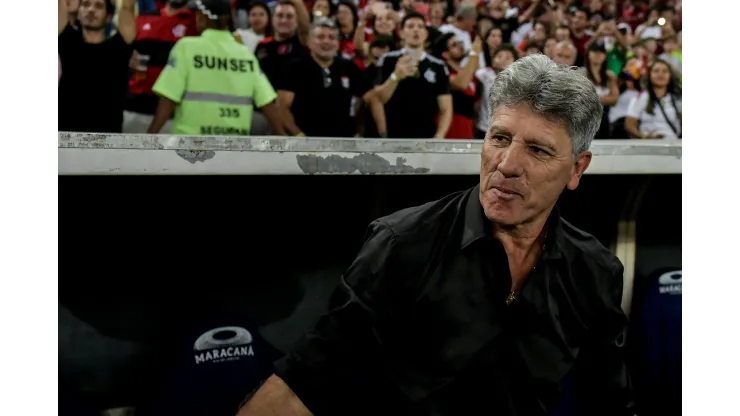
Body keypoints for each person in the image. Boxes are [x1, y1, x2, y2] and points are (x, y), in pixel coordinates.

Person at [237, 54, 634, 416]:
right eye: (499, 138)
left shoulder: (594, 271)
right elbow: (302, 388)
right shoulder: (402, 245)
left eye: (538, 150)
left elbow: (609, 403)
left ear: (577, 169)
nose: (507, 165)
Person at [147, 0, 285, 135]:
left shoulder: (186, 47)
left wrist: (150, 136)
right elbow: (267, 102)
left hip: (191, 145)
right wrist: (283, 138)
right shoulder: (245, 54)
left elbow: (168, 98)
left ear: (203, 17)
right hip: (234, 146)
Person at [278, 18, 367, 137]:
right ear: (309, 41)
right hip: (305, 146)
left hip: (345, 145)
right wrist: (299, 137)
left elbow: (364, 102)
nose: (326, 41)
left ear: (338, 42)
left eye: (331, 37)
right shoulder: (294, 68)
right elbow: (282, 108)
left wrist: (359, 132)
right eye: (320, 37)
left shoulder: (350, 68)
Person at [369, 11, 452, 139]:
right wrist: (396, 76)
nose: (416, 30)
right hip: (393, 137)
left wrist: (438, 137)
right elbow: (378, 99)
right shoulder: (387, 60)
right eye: (410, 26)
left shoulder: (439, 66)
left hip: (426, 139)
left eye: (420, 26)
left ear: (426, 34)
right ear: (401, 33)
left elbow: (445, 108)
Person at [58, 0, 136, 133]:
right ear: (78, 12)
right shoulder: (67, 40)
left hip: (108, 136)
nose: (91, 10)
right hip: (66, 135)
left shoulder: (120, 46)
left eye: (98, 6)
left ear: (108, 16)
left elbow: (127, 7)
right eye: (86, 5)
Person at [124, 0, 197, 134]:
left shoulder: (197, 21)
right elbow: (127, 51)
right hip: (135, 110)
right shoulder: (144, 17)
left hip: (174, 116)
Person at [624, 59, 681, 140]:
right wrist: (644, 138)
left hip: (673, 145)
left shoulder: (678, 98)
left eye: (665, 71)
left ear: (670, 76)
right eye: (656, 71)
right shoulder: (641, 97)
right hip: (649, 145)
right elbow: (629, 125)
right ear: (649, 75)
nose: (660, 74)